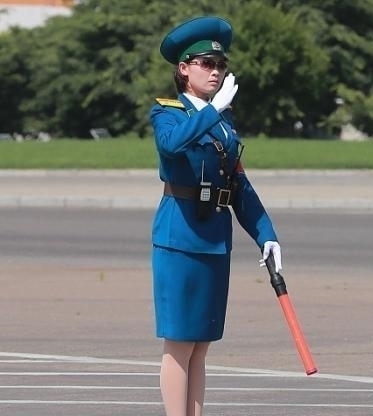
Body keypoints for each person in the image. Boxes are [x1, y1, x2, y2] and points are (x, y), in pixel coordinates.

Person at [149, 15, 282, 416]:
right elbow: (172, 146)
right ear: (184, 69)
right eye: (206, 64)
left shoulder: (223, 123)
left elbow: (239, 186)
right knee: (180, 342)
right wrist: (210, 112)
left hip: (214, 237)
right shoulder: (167, 112)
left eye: (221, 65)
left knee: (202, 344)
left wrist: (266, 235)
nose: (216, 72)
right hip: (179, 239)